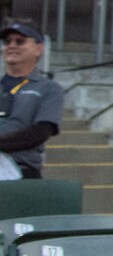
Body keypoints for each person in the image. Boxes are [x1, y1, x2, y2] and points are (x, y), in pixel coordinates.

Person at [0, 23, 64, 180]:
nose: (12, 46)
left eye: (20, 41)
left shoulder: (49, 88)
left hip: (21, 168)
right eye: (8, 42)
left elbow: (39, 133)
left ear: (38, 49)